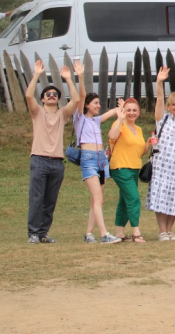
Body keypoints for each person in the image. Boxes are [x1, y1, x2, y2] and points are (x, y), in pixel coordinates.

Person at [25, 59, 83, 243]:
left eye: (55, 94)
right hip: (39, 159)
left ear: (58, 99)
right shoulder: (37, 112)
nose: (51, 95)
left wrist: (68, 79)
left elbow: (76, 100)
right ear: (42, 99)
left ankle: (43, 233)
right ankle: (33, 233)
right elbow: (28, 96)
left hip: (57, 162)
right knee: (36, 198)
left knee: (50, 201)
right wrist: (36, 75)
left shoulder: (62, 114)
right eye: (47, 94)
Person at [146, 66, 175, 240]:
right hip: (163, 164)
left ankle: (170, 229)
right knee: (162, 195)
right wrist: (159, 82)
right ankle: (162, 230)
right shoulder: (162, 118)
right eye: (173, 104)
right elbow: (158, 99)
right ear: (169, 106)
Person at [73, 77, 121, 244]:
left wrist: (121, 108)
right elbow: (81, 95)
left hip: (101, 160)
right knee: (98, 198)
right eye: (95, 103)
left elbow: (111, 113)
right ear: (87, 105)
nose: (98, 106)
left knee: (97, 198)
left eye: (99, 103)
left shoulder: (95, 120)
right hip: (89, 159)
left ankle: (88, 233)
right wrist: (80, 76)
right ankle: (104, 234)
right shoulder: (80, 118)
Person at [108, 97, 148, 242]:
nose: (132, 113)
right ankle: (136, 231)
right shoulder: (120, 124)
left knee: (125, 201)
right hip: (121, 167)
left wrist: (148, 145)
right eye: (128, 110)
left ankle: (119, 232)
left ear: (139, 112)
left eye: (134, 110)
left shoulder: (138, 129)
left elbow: (138, 152)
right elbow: (112, 136)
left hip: (134, 168)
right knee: (133, 198)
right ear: (124, 111)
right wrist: (120, 119)